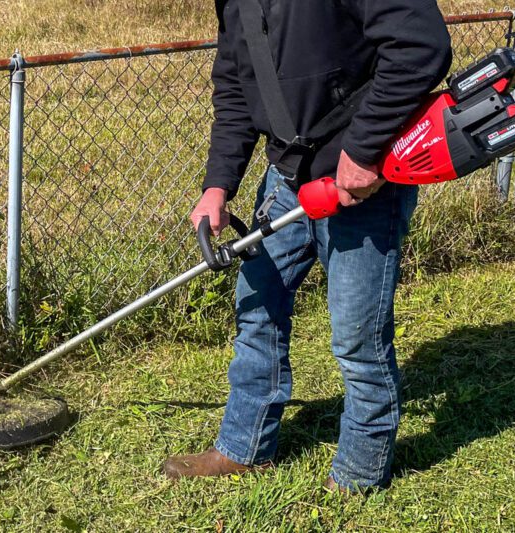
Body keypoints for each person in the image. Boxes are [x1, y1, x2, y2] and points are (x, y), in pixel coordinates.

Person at [163, 0, 452, 492]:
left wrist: (363, 149)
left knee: (357, 337)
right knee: (257, 309)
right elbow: (236, 86)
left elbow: (421, 47)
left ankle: (360, 473)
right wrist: (218, 185)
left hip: (361, 183)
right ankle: (245, 447)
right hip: (287, 177)